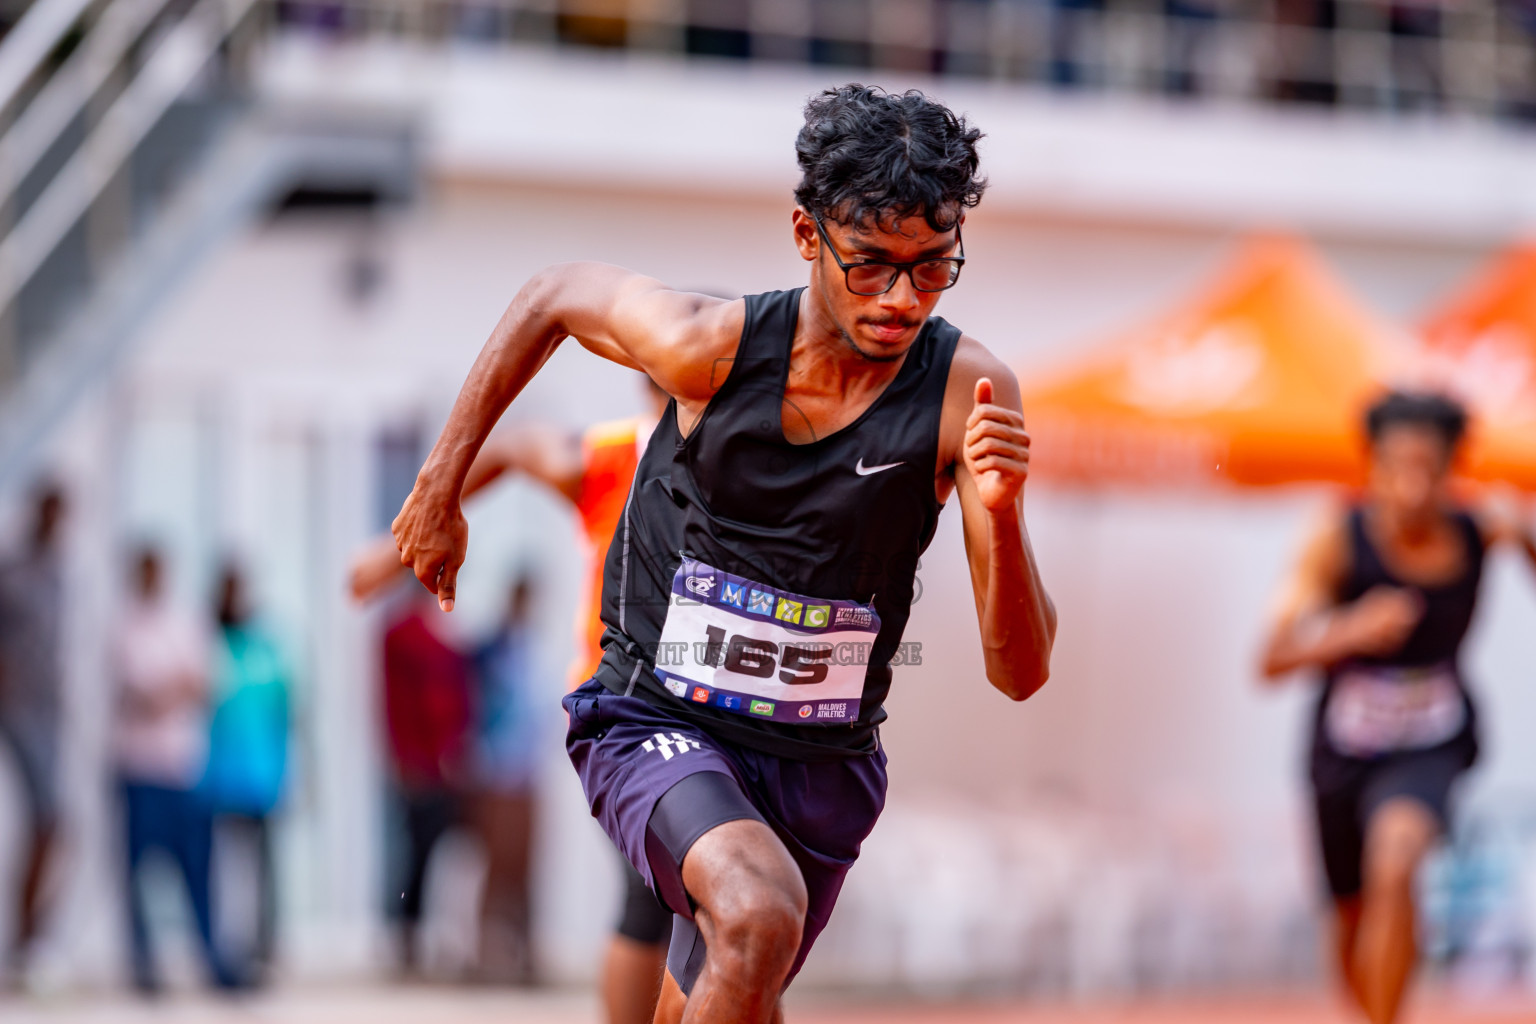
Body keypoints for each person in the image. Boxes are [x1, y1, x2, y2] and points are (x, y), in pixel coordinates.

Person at [389, 84, 1057, 1022]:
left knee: (735, 984)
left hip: (821, 766)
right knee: (755, 914)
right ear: (805, 234)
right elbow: (550, 295)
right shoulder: (708, 346)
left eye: (933, 267)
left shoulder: (969, 392)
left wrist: (1007, 510)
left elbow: (1020, 673)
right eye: (870, 265)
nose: (901, 299)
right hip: (659, 715)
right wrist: (436, 490)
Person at [350, 373, 677, 1022]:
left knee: (735, 913)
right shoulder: (619, 457)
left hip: (724, 718)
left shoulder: (760, 463)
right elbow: (513, 448)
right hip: (629, 714)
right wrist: (399, 548)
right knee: (651, 891)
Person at [1260, 391, 1536, 1024]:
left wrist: (1524, 534)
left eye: (1430, 470)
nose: (1413, 487)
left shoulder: (1479, 529)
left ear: (1452, 471)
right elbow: (1270, 659)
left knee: (1397, 860)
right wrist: (1347, 631)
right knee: (1352, 914)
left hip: (1432, 740)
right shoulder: (1333, 538)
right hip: (1343, 747)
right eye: (1397, 468)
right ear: (1372, 469)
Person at [112, 545, 239, 992]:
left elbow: (208, 683)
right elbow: (143, 693)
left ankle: (211, 958)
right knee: (140, 873)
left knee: (199, 872)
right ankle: (145, 967)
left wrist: (167, 690)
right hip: (140, 769)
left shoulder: (185, 622)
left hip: (185, 768)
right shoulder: (124, 626)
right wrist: (175, 687)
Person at [203, 562, 290, 984]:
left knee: (264, 877)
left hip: (263, 782)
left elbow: (286, 714)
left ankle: (263, 951)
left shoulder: (265, 649)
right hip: (218, 784)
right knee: (226, 876)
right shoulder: (207, 648)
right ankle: (226, 955)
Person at [380, 586, 471, 974]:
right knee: (417, 852)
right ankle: (407, 934)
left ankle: (441, 935)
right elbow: (395, 701)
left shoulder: (448, 633)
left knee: (447, 853)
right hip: (421, 765)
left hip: (446, 764)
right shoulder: (403, 633)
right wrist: (407, 758)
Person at [0, 483, 66, 984]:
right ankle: (26, 941)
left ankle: (30, 941)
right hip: (18, 710)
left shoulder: (61, 573)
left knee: (53, 824)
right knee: (48, 817)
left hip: (49, 712)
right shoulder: (14, 573)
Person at [468, 575, 541, 983]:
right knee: (497, 865)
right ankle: (485, 951)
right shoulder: (490, 651)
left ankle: (523, 952)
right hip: (497, 772)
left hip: (526, 774)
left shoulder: (532, 649)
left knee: (525, 868)